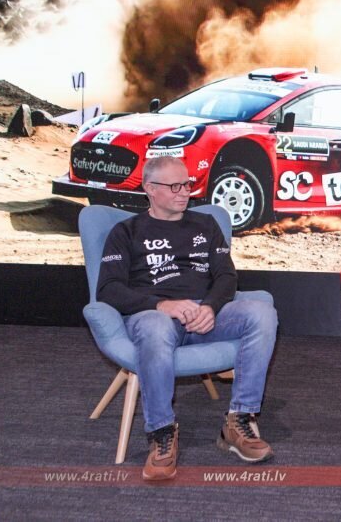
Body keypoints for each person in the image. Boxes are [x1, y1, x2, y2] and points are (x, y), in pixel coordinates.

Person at [97, 156, 278, 481]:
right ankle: (162, 433)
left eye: (187, 184)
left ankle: (239, 420)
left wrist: (210, 307)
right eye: (175, 186)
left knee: (262, 312)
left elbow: (226, 276)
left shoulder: (205, 225)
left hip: (205, 315)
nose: (185, 192)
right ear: (150, 188)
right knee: (154, 328)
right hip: (154, 317)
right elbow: (108, 289)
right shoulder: (126, 232)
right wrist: (160, 305)